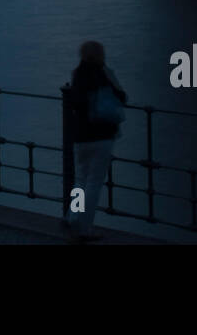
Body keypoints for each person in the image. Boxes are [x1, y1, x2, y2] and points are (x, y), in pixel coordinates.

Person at [64, 40, 126, 243]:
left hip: (81, 136)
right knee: (94, 183)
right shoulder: (104, 73)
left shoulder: (77, 74)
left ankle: (73, 217)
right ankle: (85, 228)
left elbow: (74, 102)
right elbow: (122, 97)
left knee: (80, 180)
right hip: (102, 135)